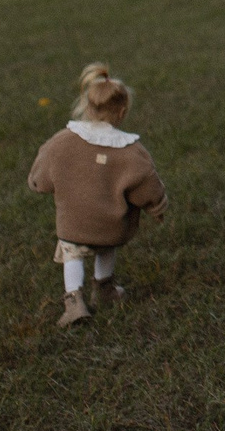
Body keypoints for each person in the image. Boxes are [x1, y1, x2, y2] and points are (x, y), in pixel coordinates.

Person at [28, 62, 166, 329]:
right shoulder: (131, 151)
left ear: (87, 107)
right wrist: (157, 206)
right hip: (110, 225)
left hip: (73, 224)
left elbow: (42, 172)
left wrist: (36, 182)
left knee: (72, 254)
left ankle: (74, 301)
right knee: (106, 248)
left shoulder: (61, 141)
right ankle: (104, 288)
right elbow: (148, 184)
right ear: (122, 111)